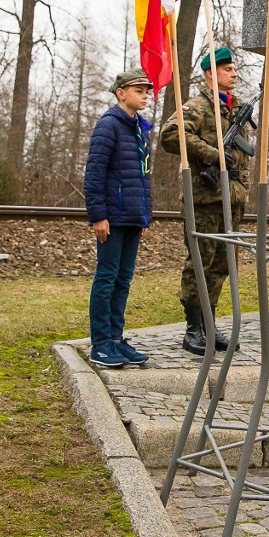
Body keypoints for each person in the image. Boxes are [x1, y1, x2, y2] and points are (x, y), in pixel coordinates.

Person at [159, 46, 251, 354]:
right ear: (211, 74)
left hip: (230, 201)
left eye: (234, 69)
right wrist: (213, 154)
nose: (234, 73)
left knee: (221, 266)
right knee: (199, 264)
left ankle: (209, 326)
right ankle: (193, 329)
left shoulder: (234, 109)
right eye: (227, 69)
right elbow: (171, 135)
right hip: (205, 201)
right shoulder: (197, 106)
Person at [83, 68, 153, 368]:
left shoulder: (139, 128)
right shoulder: (108, 126)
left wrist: (144, 217)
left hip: (132, 218)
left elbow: (142, 177)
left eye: (147, 90)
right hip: (112, 218)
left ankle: (115, 337)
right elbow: (95, 174)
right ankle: (100, 343)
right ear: (121, 92)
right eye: (139, 90)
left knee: (123, 279)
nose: (145, 95)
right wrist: (98, 216)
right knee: (107, 277)